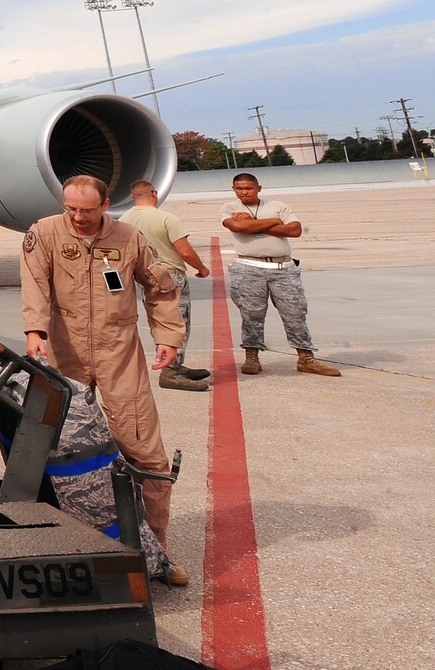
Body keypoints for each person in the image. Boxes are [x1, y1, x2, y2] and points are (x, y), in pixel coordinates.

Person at [20, 175, 189, 586]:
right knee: (50, 454)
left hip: (119, 353)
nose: (77, 217)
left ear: (105, 204)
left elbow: (161, 289)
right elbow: (35, 285)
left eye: (87, 210)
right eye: (70, 208)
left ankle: (156, 554)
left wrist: (167, 337)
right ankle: (62, 549)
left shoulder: (129, 239)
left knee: (144, 453)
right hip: (62, 354)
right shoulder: (43, 233)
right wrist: (35, 331)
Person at [220, 173, 340, 377]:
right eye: (239, 188)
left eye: (248, 188)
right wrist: (274, 224)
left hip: (282, 267)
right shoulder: (230, 209)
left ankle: (305, 357)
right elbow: (239, 227)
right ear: (233, 189)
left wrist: (257, 222)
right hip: (249, 266)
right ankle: (252, 356)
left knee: (295, 313)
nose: (244, 192)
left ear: (259, 187)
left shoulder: (278, 207)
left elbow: (294, 230)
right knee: (251, 315)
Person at [116, 180, 212, 391]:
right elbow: (185, 251)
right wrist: (202, 269)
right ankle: (171, 371)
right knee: (178, 321)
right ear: (154, 193)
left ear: (133, 196)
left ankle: (175, 364)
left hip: (144, 276)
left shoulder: (124, 220)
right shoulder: (166, 218)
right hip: (170, 275)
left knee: (161, 321)